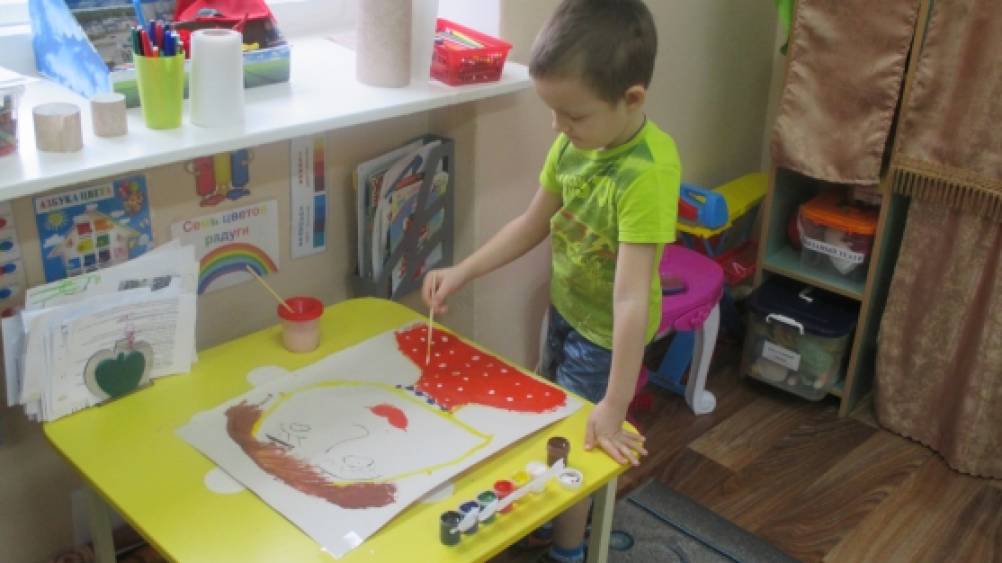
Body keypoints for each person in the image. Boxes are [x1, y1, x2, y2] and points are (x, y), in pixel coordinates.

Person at [423, 0, 678, 561]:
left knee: (584, 437)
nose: (558, 128)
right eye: (553, 112)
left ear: (632, 99)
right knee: (552, 418)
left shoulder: (646, 174)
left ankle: (567, 549)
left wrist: (615, 402)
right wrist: (463, 270)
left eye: (573, 115)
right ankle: (549, 515)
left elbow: (631, 297)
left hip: (607, 334)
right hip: (566, 309)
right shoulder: (572, 144)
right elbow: (530, 224)